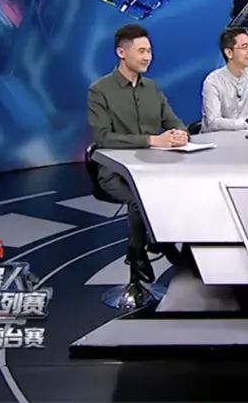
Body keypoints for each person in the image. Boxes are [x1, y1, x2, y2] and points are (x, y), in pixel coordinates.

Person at [87, 24, 189, 296]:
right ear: (121, 53)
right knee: (139, 197)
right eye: (141, 51)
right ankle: (138, 252)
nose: (147, 57)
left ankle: (158, 240)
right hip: (114, 172)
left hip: (154, 169)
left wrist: (180, 133)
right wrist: (151, 140)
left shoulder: (152, 88)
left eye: (149, 51)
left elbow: (174, 120)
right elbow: (103, 137)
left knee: (177, 189)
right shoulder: (100, 90)